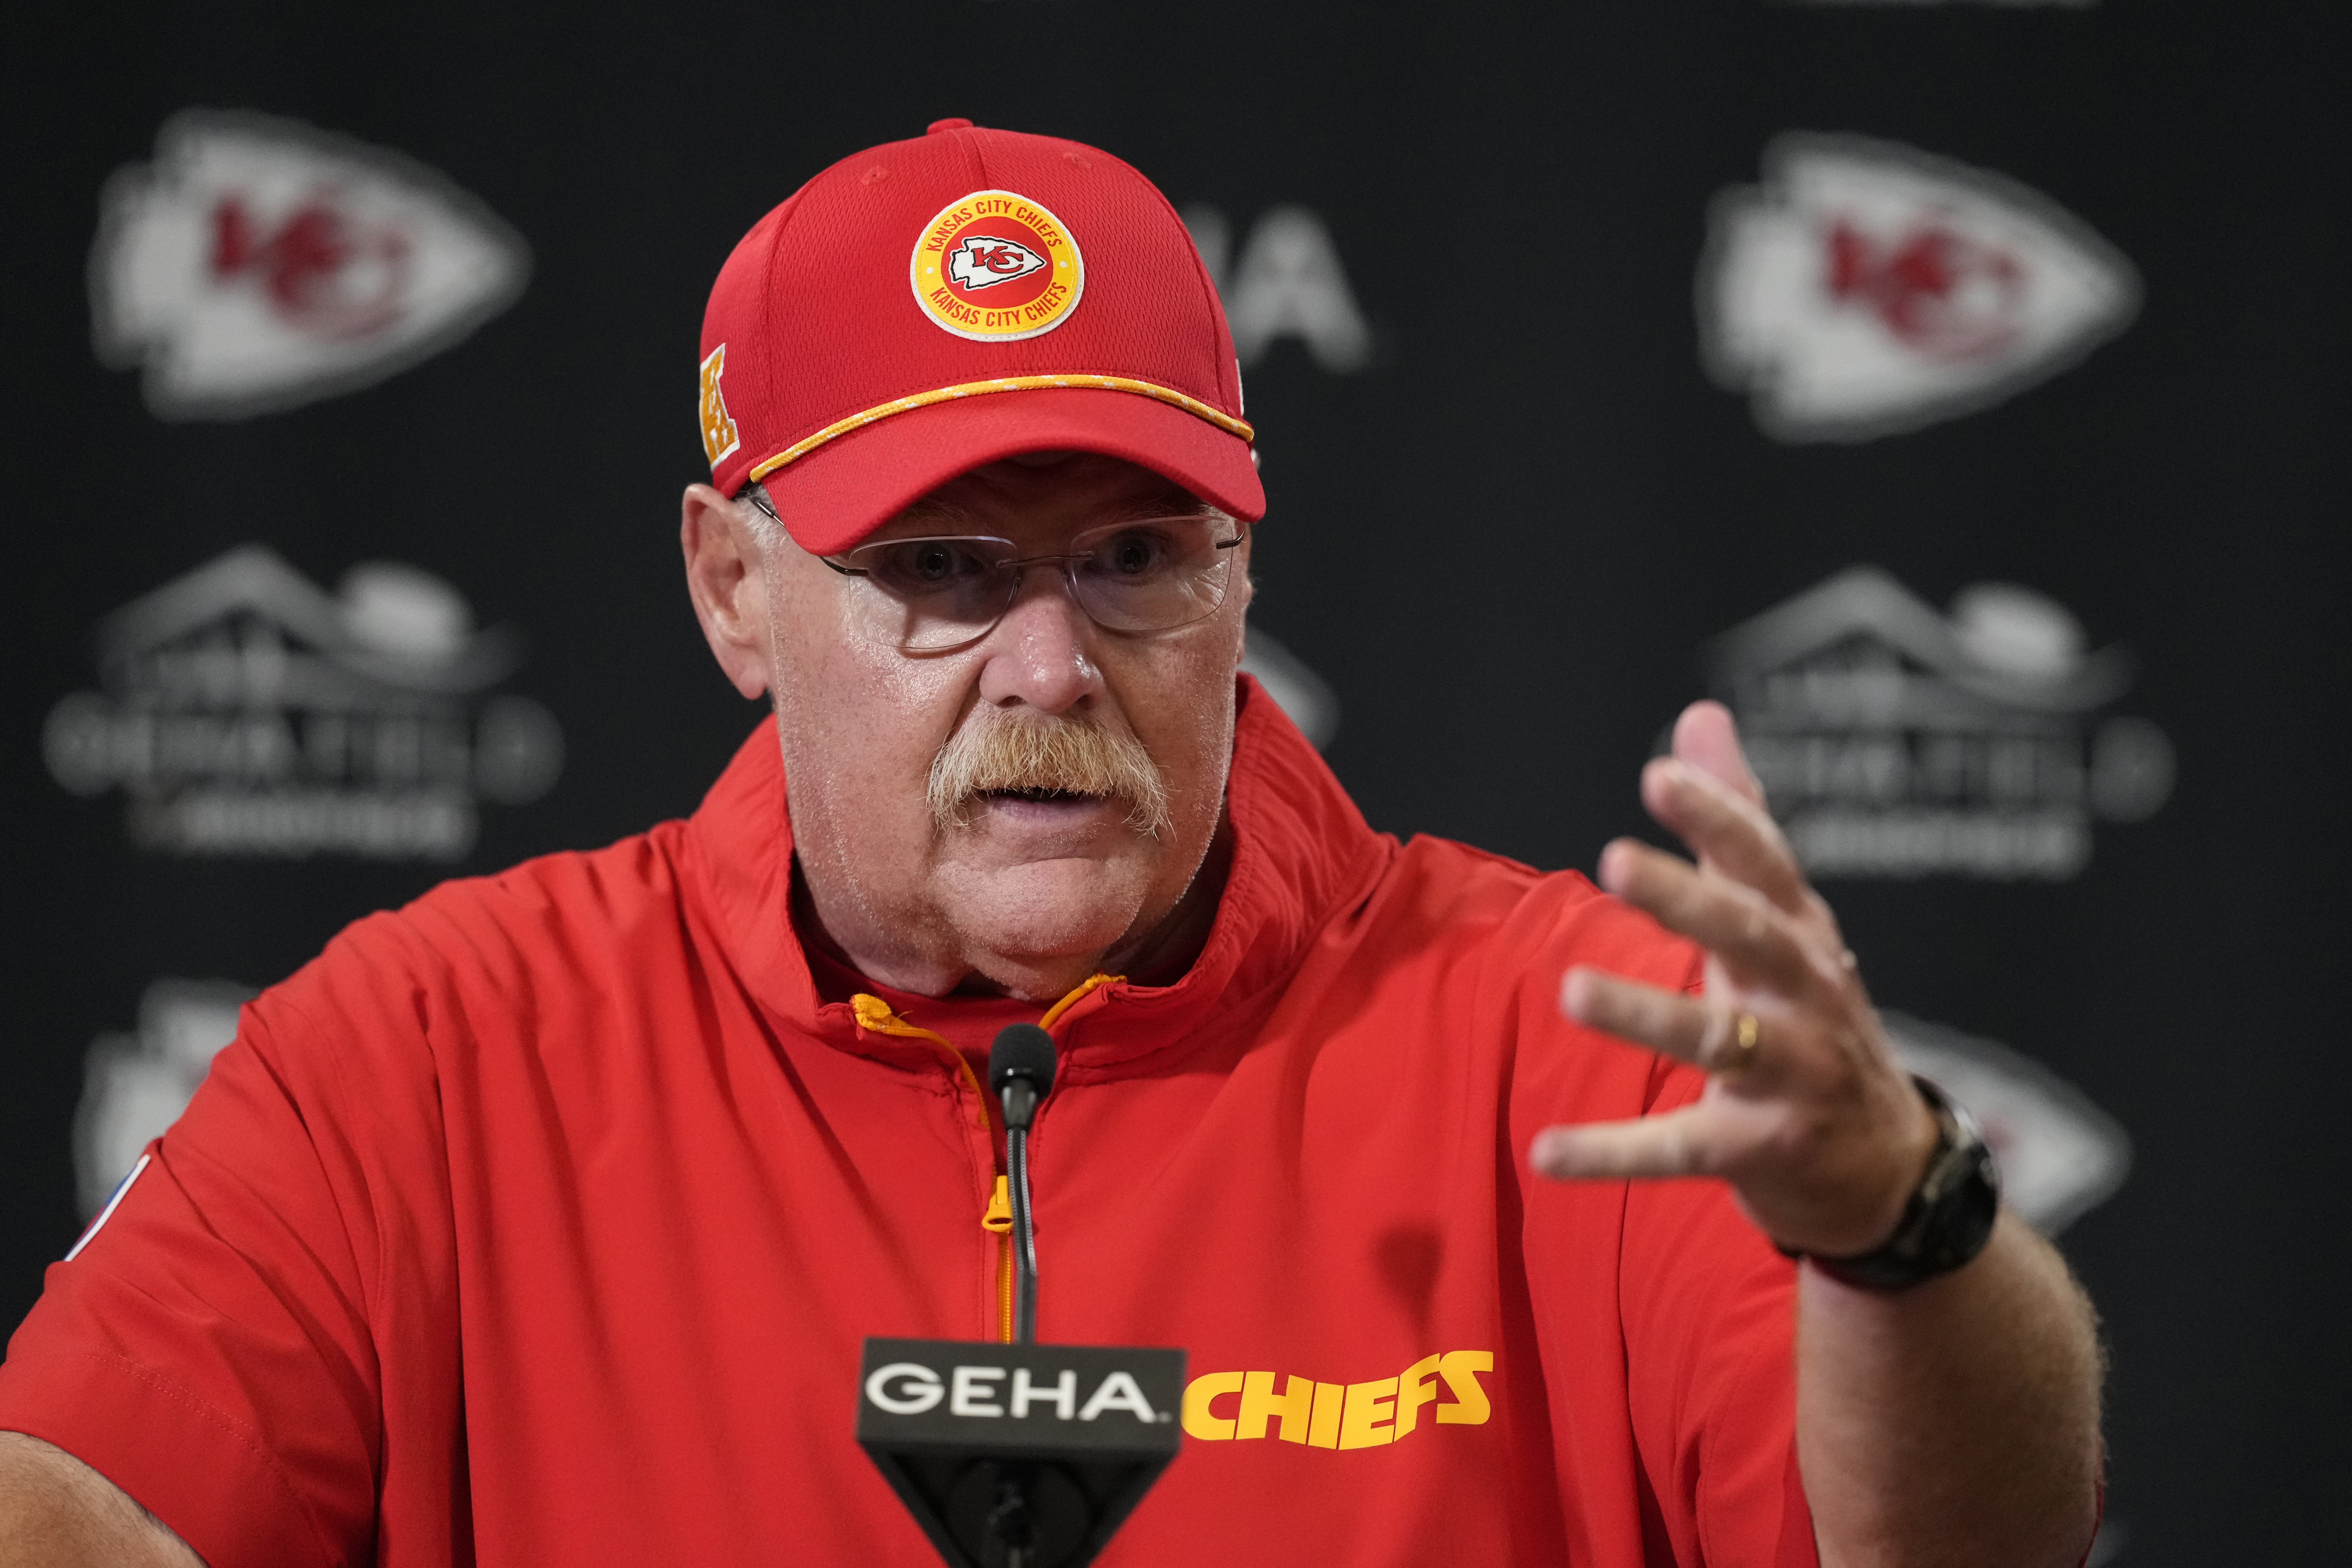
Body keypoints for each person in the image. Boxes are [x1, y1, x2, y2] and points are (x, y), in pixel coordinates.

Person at [0, 120, 2102, 1567]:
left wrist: (1898, 1228)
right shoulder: (428, 1053)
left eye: (1130, 560)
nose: (1046, 663)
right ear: (732, 590)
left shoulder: (1573, 1039)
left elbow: (1960, 1551)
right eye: (934, 564)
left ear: (1244, 575)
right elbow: (72, 1501)